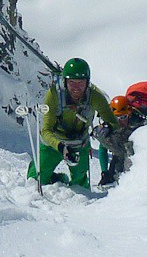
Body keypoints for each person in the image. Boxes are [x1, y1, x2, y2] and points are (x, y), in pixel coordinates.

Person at [27, 57, 118, 189]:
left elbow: (112, 122)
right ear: (65, 82)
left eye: (80, 83)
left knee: (80, 186)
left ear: (87, 82)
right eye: (72, 83)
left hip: (79, 144)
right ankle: (56, 178)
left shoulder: (95, 96)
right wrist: (61, 147)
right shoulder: (53, 95)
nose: (76, 88)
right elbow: (46, 130)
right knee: (35, 182)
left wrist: (106, 128)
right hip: (54, 144)